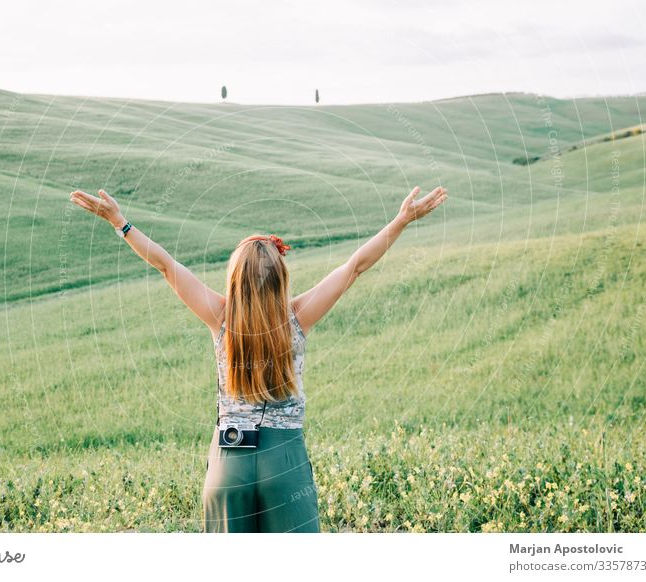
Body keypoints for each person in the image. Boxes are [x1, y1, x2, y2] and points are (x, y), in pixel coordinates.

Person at [69, 185, 448, 532]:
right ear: (281, 278)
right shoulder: (299, 317)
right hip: (283, 462)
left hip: (228, 461)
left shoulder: (218, 316)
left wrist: (120, 222)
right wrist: (401, 221)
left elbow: (167, 266)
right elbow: (355, 266)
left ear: (234, 280)